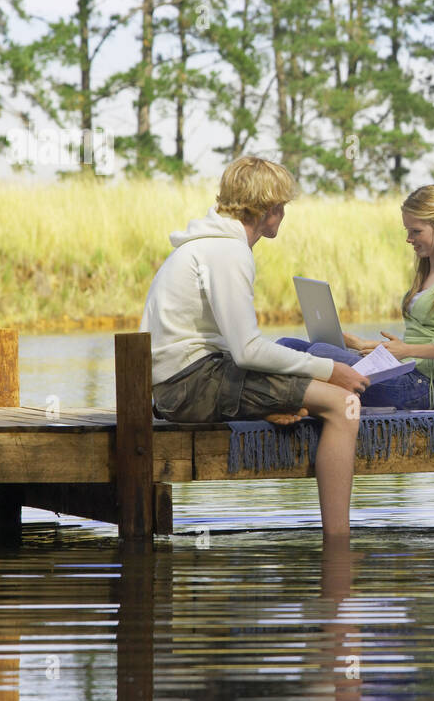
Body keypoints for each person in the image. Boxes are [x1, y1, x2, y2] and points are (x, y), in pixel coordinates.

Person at [140, 155, 367, 537]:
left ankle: (275, 408)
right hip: (190, 385)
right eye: (281, 207)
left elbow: (234, 350)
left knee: (307, 395)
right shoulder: (228, 252)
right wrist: (333, 371)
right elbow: (246, 350)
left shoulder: (205, 245)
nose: (283, 214)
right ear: (268, 211)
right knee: (345, 404)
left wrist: (269, 399)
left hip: (180, 382)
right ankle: (339, 541)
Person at [275, 185, 434, 410]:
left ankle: (290, 402)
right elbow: (416, 341)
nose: (408, 238)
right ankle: (289, 402)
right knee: (287, 345)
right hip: (401, 371)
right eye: (407, 230)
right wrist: (367, 345)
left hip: (424, 387)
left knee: (319, 353)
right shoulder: (426, 270)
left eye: (416, 231)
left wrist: (407, 351)